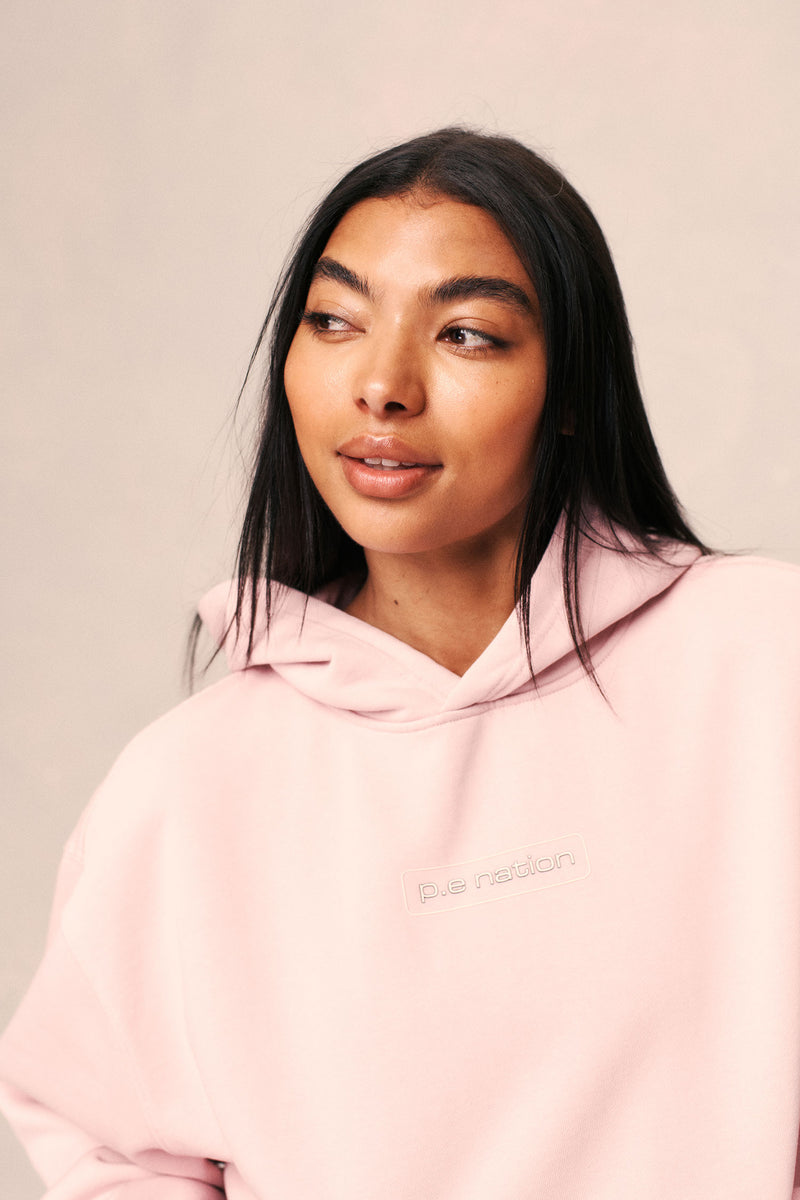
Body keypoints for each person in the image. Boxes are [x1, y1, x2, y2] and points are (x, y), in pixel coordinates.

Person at [1, 127, 798, 1200]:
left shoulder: (764, 661)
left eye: (465, 334)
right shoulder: (187, 787)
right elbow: (110, 1149)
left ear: (571, 389)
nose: (381, 385)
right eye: (334, 321)